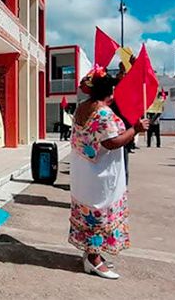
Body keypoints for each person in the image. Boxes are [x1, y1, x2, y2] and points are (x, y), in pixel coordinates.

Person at [69, 66, 149, 279]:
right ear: (109, 91)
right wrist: (136, 129)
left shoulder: (82, 107)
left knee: (88, 213)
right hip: (99, 174)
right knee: (99, 215)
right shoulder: (103, 112)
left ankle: (90, 254)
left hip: (83, 171)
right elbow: (112, 142)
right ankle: (94, 260)